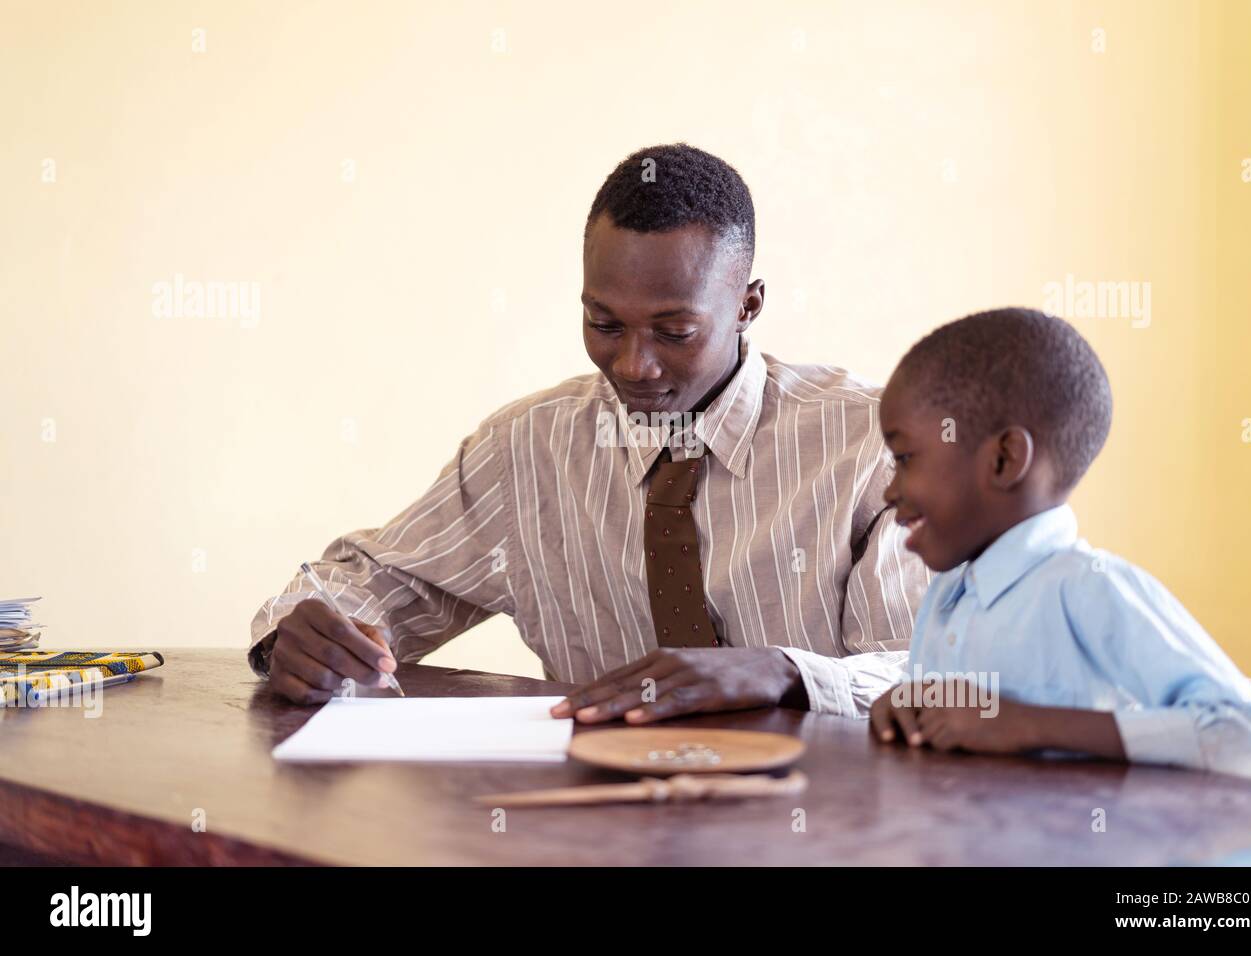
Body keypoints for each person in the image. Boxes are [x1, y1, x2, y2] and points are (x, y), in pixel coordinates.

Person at [249, 143, 930, 721]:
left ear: (749, 305)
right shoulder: (527, 449)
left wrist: (784, 673)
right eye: (604, 324)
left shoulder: (869, 447)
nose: (634, 364)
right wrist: (303, 635)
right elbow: (377, 582)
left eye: (675, 331)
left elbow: (936, 676)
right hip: (594, 823)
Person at [868, 308, 1251, 778]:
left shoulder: (1087, 586)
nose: (890, 490)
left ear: (1004, 460)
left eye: (905, 458)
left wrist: (1027, 725)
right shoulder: (946, 592)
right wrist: (906, 706)